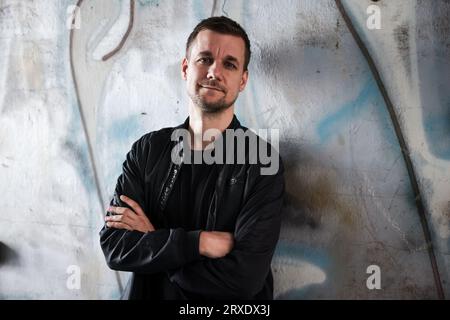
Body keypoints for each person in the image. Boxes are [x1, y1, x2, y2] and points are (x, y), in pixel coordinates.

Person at [99, 15, 285, 300]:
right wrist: (198, 243)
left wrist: (154, 240)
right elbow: (115, 245)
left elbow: (244, 280)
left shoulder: (260, 162)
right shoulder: (148, 150)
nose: (214, 72)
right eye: (205, 59)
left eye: (229, 64)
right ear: (186, 68)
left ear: (243, 80)